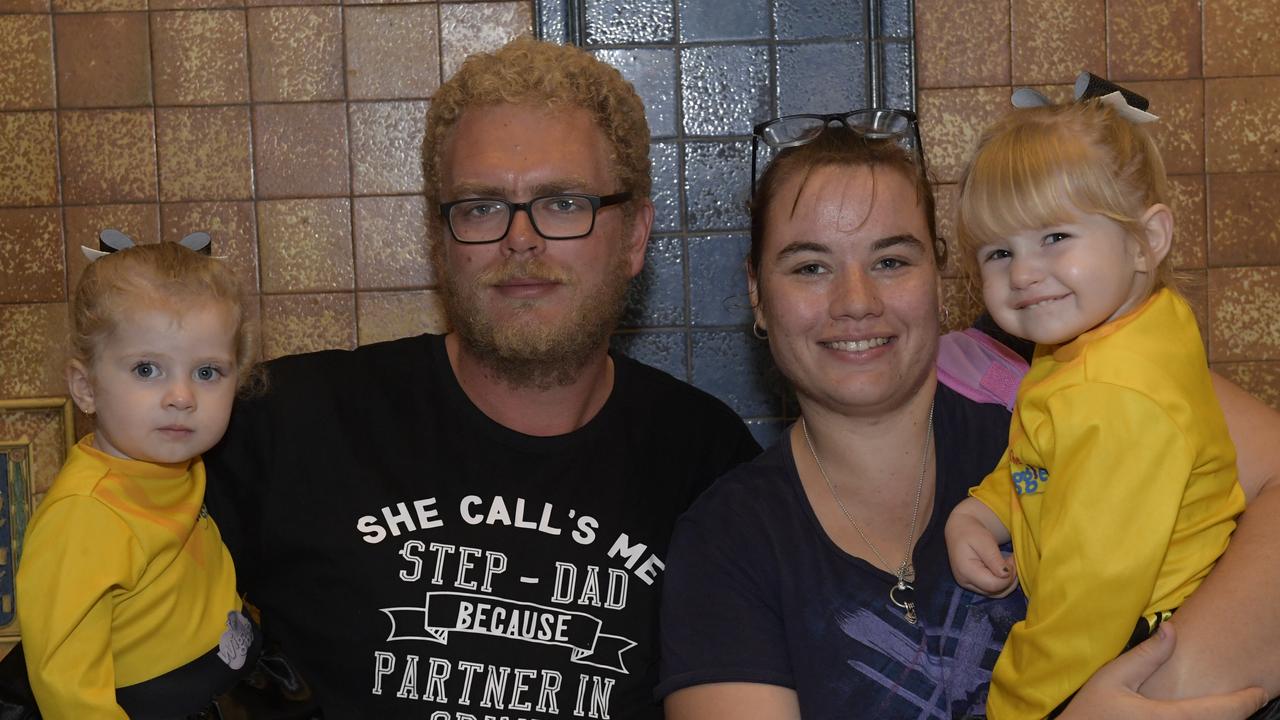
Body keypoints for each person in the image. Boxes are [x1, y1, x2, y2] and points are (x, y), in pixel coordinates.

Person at [202, 37, 760, 719]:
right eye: (481, 207)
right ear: (440, 244)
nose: (519, 239)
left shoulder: (707, 462)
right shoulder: (285, 423)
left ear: (635, 236)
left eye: (562, 203)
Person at [657, 113, 1280, 719]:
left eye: (892, 261)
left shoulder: (1067, 390)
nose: (855, 302)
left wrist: (1176, 681)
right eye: (810, 267)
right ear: (757, 295)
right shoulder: (727, 543)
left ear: (941, 277)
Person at [944, 97, 1243, 717]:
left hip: (1136, 639)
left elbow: (1087, 600)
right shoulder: (1125, 326)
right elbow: (1048, 453)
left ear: (1146, 242)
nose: (1024, 273)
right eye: (999, 252)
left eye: (1055, 236)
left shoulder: (1112, 397)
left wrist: (1016, 708)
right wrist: (987, 509)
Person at [17, 242, 262, 718]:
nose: (182, 396)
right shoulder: (85, 516)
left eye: (207, 371)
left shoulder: (179, 466)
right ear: (86, 387)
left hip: (227, 681)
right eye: (147, 369)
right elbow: (67, 688)